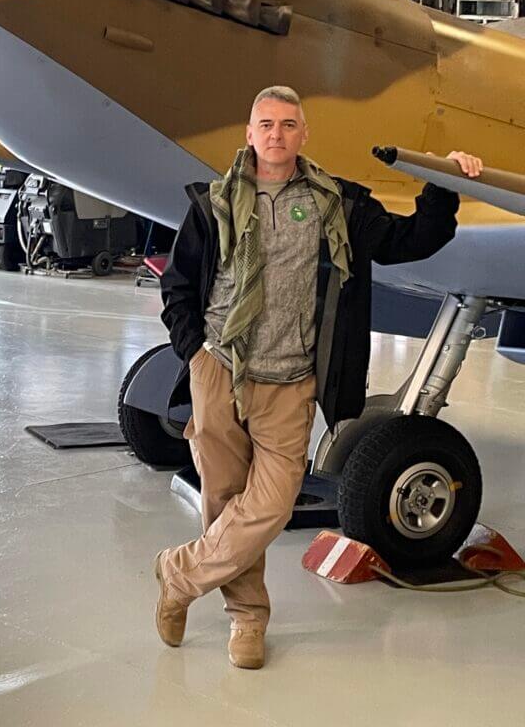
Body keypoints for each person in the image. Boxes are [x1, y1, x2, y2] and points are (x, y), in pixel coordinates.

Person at [154, 85, 483, 670]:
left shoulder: (339, 205)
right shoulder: (214, 203)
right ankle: (247, 621)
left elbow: (412, 240)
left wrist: (446, 186)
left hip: (292, 379)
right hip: (221, 369)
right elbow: (178, 285)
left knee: (273, 507)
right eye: (265, 124)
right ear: (249, 134)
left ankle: (179, 574)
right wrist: (197, 352)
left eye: (287, 124)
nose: (275, 135)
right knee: (226, 500)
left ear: (304, 135)